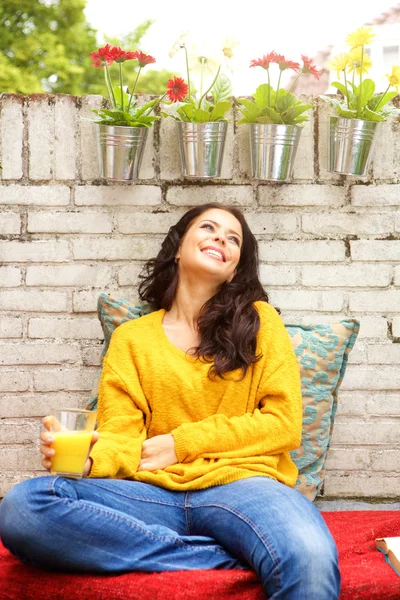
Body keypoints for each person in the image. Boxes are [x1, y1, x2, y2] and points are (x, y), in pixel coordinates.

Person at [0, 203, 340, 599]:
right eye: (210, 228)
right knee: (25, 506)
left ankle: (233, 548)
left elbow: (283, 424)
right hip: (151, 494)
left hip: (243, 486)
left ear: (234, 267)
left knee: (311, 554)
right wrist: (92, 458)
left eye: (234, 239)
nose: (221, 239)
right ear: (179, 247)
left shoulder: (260, 322)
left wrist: (181, 444)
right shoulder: (133, 338)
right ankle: (219, 557)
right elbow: (123, 435)